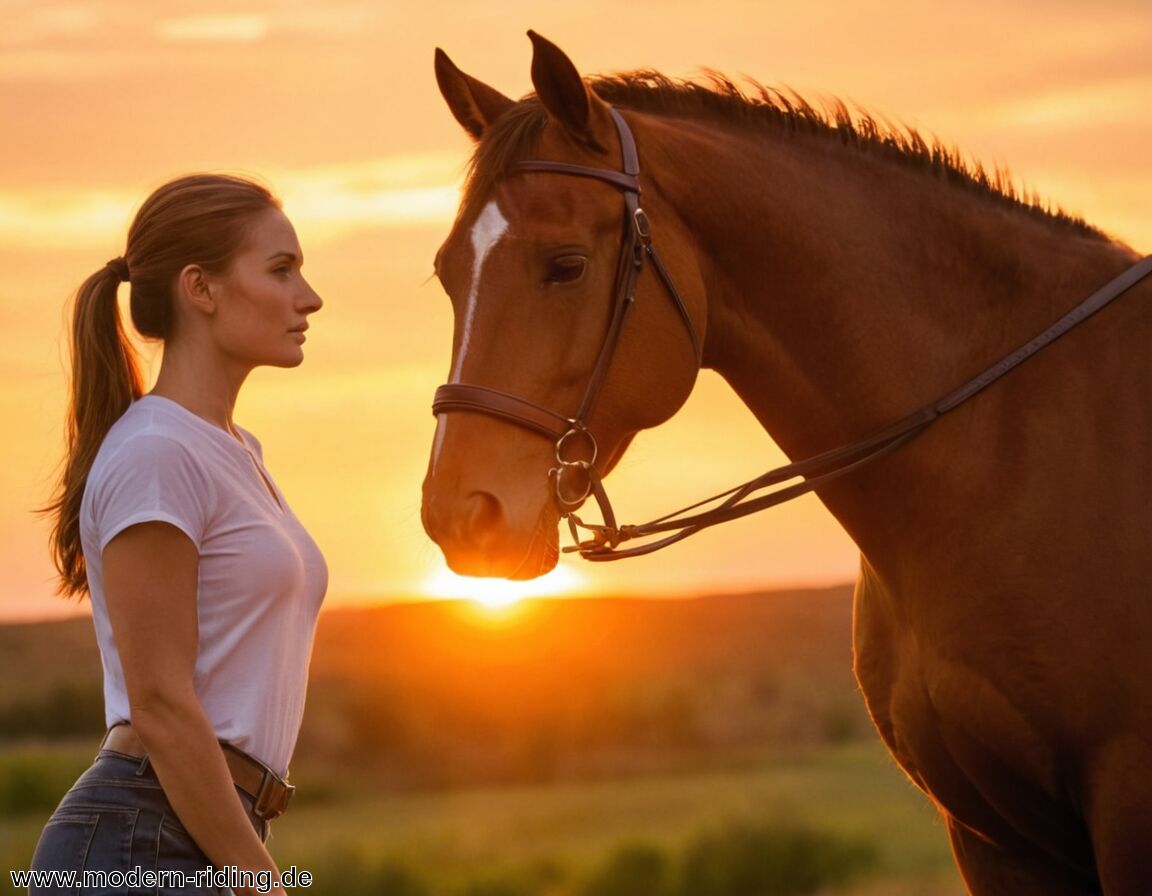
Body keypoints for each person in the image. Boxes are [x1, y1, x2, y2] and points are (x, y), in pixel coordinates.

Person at [32, 173, 327, 894]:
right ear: (200, 288)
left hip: (187, 823)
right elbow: (160, 703)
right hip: (139, 839)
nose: (309, 297)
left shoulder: (234, 449)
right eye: (281, 269)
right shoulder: (158, 453)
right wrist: (261, 883)